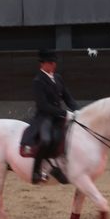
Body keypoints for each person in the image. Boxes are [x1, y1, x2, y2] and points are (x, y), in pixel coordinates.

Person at [29, 49, 79, 184]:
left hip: (58, 117)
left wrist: (77, 110)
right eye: (51, 62)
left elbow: (67, 97)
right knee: (45, 139)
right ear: (43, 64)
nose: (54, 65)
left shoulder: (57, 78)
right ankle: (36, 172)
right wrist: (65, 113)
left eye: (54, 62)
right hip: (44, 117)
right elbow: (42, 104)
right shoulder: (38, 81)